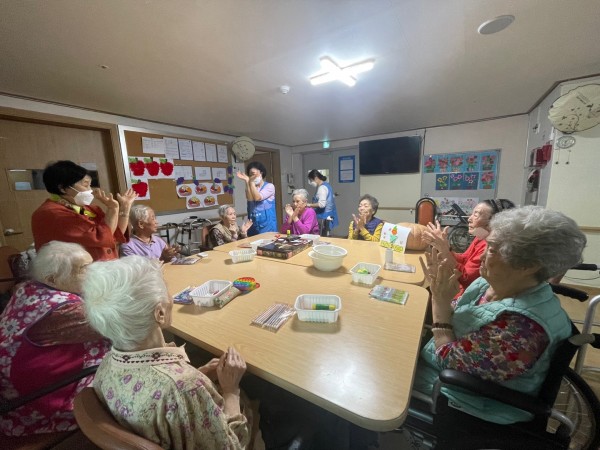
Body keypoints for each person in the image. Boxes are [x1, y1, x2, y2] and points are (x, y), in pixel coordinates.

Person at [415, 206, 586, 424]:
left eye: (493, 249)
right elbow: (457, 319)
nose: (482, 255)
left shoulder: (523, 328)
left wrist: (439, 302)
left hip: (468, 399)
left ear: (529, 266)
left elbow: (448, 361)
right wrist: (443, 295)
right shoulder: (487, 283)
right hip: (443, 367)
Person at [82, 256, 254, 449]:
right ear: (160, 314)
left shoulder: (105, 365)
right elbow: (231, 446)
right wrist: (231, 390)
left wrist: (200, 374)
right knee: (266, 394)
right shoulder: (184, 387)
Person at [0, 241, 110, 437]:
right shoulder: (65, 309)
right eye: (84, 269)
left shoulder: (27, 288)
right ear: (52, 278)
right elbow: (118, 325)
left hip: (12, 388)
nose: (93, 271)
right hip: (36, 400)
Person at [31, 160, 137, 261]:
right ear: (62, 188)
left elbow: (115, 235)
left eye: (90, 185)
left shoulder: (88, 209)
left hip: (103, 268)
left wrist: (125, 207)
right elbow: (101, 237)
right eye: (85, 185)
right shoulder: (51, 213)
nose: (90, 190)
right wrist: (113, 209)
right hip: (76, 271)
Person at [424, 198, 515, 300]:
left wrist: (444, 249)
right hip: (458, 288)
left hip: (466, 296)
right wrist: (446, 247)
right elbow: (464, 259)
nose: (469, 219)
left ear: (494, 221)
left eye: (476, 215)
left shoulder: (491, 248)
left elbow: (466, 278)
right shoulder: (480, 237)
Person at [236, 161, 277, 236]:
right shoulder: (251, 186)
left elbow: (257, 197)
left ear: (261, 173)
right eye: (250, 175)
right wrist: (247, 181)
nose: (251, 177)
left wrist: (251, 182)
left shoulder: (270, 186)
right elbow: (250, 199)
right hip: (253, 224)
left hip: (267, 226)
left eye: (253, 174)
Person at [307, 169, 339, 236]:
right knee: (326, 235)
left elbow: (322, 204)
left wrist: (309, 205)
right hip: (329, 215)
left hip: (323, 217)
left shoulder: (322, 188)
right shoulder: (327, 185)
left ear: (316, 178)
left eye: (311, 180)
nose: (311, 182)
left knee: (323, 236)